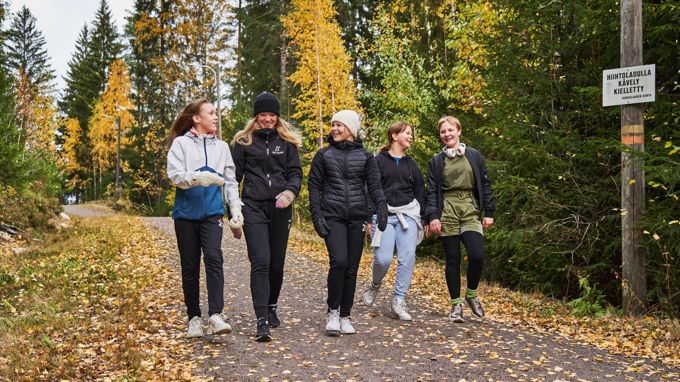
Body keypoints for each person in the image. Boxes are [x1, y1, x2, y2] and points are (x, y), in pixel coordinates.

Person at [166, 97, 244, 338]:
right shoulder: (180, 144)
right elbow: (175, 175)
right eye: (211, 112)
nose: (216, 116)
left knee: (214, 258)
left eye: (216, 112)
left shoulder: (221, 148)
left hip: (212, 214)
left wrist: (236, 211)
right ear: (196, 118)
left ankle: (216, 315)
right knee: (190, 266)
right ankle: (193, 318)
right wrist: (199, 178)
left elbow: (230, 181)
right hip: (186, 215)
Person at [308, 109, 388, 336]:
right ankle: (332, 312)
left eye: (339, 125)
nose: (334, 129)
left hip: (357, 216)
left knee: (352, 268)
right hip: (332, 215)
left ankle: (345, 315)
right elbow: (314, 186)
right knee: (339, 262)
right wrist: (316, 213)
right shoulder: (323, 155)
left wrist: (381, 206)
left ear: (351, 129)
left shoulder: (366, 157)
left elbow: (374, 186)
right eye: (332, 125)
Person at [232, 92, 303, 342]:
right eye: (263, 114)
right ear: (256, 116)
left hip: (281, 207)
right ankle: (261, 319)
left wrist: (290, 192)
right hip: (253, 206)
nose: (268, 119)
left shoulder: (287, 143)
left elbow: (296, 174)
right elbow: (233, 179)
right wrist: (234, 212)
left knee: (276, 263)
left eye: (272, 114)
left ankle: (272, 306)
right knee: (260, 261)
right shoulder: (243, 143)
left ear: (277, 116)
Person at [425, 116, 495, 323]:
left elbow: (485, 184)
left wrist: (489, 212)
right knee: (453, 260)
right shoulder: (437, 161)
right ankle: (456, 305)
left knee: (477, 255)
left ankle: (471, 295)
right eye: (443, 132)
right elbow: (431, 192)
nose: (447, 134)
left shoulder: (474, 156)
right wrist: (433, 217)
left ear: (459, 131)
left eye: (450, 130)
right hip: (448, 210)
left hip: (470, 209)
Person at [363, 121, 426, 321]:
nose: (410, 137)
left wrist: (424, 218)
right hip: (383, 216)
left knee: (407, 259)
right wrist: (368, 218)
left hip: (407, 215)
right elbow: (370, 189)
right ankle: (374, 284)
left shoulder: (412, 165)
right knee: (383, 259)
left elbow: (420, 193)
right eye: (407, 133)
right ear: (394, 135)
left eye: (411, 133)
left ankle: (399, 301)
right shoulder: (378, 161)